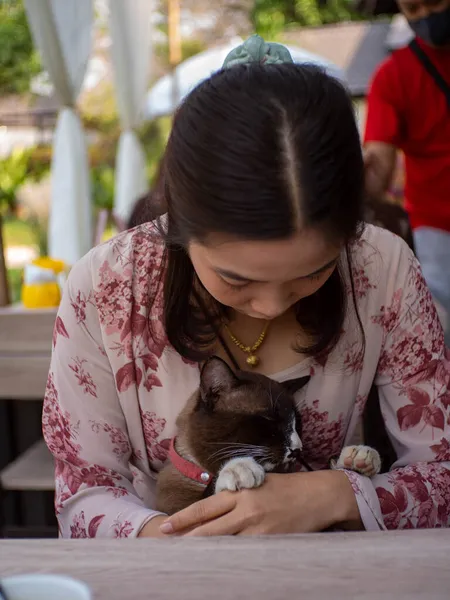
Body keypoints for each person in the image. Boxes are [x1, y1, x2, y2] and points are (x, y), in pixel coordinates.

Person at [43, 35, 450, 539]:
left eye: (314, 271)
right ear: (180, 229)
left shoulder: (382, 266)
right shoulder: (106, 285)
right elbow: (83, 494)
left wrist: (334, 495)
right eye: (236, 278)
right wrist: (181, 540)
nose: (271, 304)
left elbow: (442, 472)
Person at [364, 0, 450, 344]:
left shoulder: (394, 74)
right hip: (436, 231)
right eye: (413, 9)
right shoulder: (392, 77)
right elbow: (377, 166)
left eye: (434, 2)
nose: (426, 17)